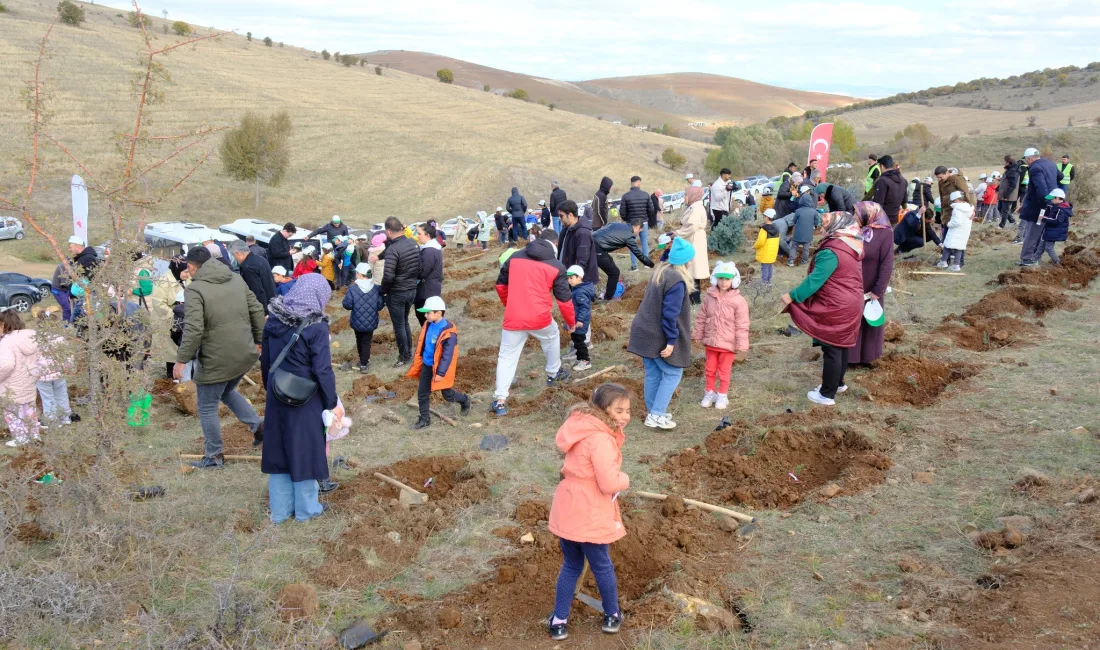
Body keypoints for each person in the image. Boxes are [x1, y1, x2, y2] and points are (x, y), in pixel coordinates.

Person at [546, 383, 631, 641]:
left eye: (628, 411)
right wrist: (624, 480)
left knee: (571, 564)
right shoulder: (601, 439)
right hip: (590, 510)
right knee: (602, 566)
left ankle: (559, 621)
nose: (625, 416)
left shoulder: (580, 428)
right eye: (619, 410)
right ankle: (612, 615)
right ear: (603, 409)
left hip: (568, 505)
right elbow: (607, 483)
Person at [173, 246, 266, 468]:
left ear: (192, 267)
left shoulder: (195, 290)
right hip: (244, 353)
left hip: (217, 358)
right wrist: (260, 340)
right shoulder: (235, 278)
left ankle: (214, 455)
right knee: (226, 391)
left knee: (206, 405)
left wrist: (181, 360)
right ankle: (260, 427)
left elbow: (193, 329)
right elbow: (256, 309)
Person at [260, 274, 339, 523]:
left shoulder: (273, 320)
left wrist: (271, 389)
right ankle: (307, 510)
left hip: (277, 394)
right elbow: (322, 369)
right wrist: (331, 402)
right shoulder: (316, 326)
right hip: (306, 399)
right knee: (305, 450)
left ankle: (281, 512)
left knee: (279, 450)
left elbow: (265, 361)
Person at [781, 212, 865, 407]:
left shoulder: (832, 251)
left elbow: (815, 281)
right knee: (842, 345)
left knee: (832, 348)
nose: (820, 228)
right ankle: (839, 383)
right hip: (851, 301)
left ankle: (827, 394)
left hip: (837, 304)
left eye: (825, 224)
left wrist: (792, 295)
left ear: (837, 226)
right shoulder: (850, 244)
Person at [490, 231, 575, 416]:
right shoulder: (557, 265)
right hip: (540, 318)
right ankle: (553, 374)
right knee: (552, 336)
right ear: (555, 243)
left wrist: (510, 305)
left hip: (514, 317)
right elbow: (564, 300)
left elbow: (500, 286)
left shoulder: (514, 257)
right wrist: (571, 322)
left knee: (506, 356)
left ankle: (500, 401)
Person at [626, 238, 694, 429]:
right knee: (673, 372)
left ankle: (653, 411)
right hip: (655, 333)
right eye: (691, 259)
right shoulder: (677, 281)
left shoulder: (662, 272)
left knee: (654, 373)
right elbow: (670, 314)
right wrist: (671, 341)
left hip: (644, 329)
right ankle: (656, 414)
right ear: (686, 261)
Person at [405, 296, 472, 430]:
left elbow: (447, 356)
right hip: (427, 365)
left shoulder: (449, 332)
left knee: (447, 395)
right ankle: (425, 419)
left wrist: (440, 372)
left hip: (441, 369)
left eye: (428, 313)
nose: (425, 315)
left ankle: (465, 400)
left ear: (439, 313)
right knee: (422, 393)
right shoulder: (428, 324)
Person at [691, 261, 749, 411]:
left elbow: (742, 325)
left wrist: (742, 345)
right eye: (721, 278)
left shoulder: (739, 301)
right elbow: (701, 317)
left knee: (724, 371)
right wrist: (697, 333)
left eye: (727, 279)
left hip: (728, 345)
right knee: (710, 368)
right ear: (715, 279)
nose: (723, 282)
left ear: (734, 280)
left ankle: (722, 394)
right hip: (711, 342)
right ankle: (709, 392)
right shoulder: (709, 297)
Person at [849, 203, 895, 366]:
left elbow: (887, 263)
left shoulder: (885, 233)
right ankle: (851, 358)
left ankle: (868, 357)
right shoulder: (855, 230)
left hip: (871, 283)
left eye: (857, 214)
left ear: (868, 214)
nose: (854, 217)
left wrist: (878, 289)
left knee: (870, 318)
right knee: (852, 319)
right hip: (853, 282)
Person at [380, 217, 421, 367]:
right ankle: (408, 353)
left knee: (399, 325)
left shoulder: (393, 249)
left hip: (398, 292)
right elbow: (420, 267)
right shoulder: (412, 242)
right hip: (411, 289)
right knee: (404, 322)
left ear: (388, 231)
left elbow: (388, 275)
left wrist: (382, 291)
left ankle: (404, 357)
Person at [0, 311, 41, 447]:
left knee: (11, 410)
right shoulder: (31, 336)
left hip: (11, 383)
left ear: (3, 324)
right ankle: (34, 434)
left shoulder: (6, 341)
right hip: (29, 380)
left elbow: (6, 365)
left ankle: (21, 436)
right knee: (29, 407)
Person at [592, 219, 653, 300]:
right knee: (614, 272)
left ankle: (598, 295)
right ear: (638, 227)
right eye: (640, 231)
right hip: (596, 248)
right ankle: (608, 298)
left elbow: (605, 228)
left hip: (590, 241)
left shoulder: (618, 224)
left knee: (609, 263)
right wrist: (652, 264)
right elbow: (639, 254)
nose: (638, 233)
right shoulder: (629, 236)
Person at [1017, 147, 1059, 267]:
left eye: (1026, 159)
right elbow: (1060, 177)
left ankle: (1026, 258)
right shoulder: (1050, 164)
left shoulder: (1035, 168)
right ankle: (1035, 257)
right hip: (1049, 204)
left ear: (1029, 158)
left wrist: (1044, 203)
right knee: (1039, 232)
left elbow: (1041, 190)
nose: (1026, 162)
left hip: (1038, 206)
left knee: (1032, 232)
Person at [342, 262, 385, 373]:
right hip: (371, 321)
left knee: (359, 339)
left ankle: (363, 362)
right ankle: (364, 363)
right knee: (366, 341)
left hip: (357, 320)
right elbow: (380, 306)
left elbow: (347, 305)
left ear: (360, 274)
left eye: (357, 273)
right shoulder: (376, 288)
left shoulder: (352, 289)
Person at [34, 319, 76, 427]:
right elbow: (68, 354)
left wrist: (33, 372)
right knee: (62, 395)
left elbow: (32, 359)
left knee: (48, 398)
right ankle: (66, 417)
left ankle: (52, 420)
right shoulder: (60, 338)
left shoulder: (35, 340)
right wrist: (69, 368)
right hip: (59, 373)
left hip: (42, 375)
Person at [675, 185, 709, 303]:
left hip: (694, 241)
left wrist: (677, 233)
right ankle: (692, 298)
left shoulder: (697, 209)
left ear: (692, 195)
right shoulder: (693, 207)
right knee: (692, 270)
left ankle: (694, 299)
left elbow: (692, 226)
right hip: (692, 240)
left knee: (693, 270)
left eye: (686, 194)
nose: (684, 197)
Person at [558, 200, 599, 287]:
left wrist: (574, 280)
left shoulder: (582, 233)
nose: (559, 218)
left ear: (570, 215)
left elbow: (582, 260)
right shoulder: (566, 229)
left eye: (561, 216)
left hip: (577, 280)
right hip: (568, 275)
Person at [230, 239, 277, 313]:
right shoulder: (261, 259)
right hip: (272, 301)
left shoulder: (248, 267)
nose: (235, 258)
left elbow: (257, 291)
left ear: (238, 253)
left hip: (263, 307)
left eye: (234, 256)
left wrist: (263, 312)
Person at [620, 176, 655, 272]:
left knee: (632, 244)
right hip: (643, 222)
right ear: (639, 183)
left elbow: (622, 212)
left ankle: (634, 266)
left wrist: (627, 220)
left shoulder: (626, 196)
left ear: (631, 183)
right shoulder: (646, 195)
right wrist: (645, 217)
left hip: (631, 223)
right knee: (644, 242)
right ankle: (646, 264)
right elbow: (651, 210)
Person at [565, 265, 595, 372]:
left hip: (579, 323)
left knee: (579, 342)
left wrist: (580, 320)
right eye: (568, 278)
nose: (569, 281)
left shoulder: (580, 292)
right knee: (577, 341)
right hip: (575, 321)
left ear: (579, 277)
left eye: (571, 278)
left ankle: (585, 361)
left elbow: (584, 308)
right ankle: (581, 358)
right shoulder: (577, 289)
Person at [414, 223, 444, 327]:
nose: (417, 236)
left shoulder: (429, 251)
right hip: (431, 288)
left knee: (426, 320)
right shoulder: (433, 248)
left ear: (427, 235)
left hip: (426, 292)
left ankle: (430, 341)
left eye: (419, 233)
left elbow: (422, 272)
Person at [937, 191, 973, 271]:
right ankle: (956, 265)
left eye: (953, 201)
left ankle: (943, 261)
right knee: (959, 247)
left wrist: (949, 224)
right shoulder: (968, 208)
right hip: (964, 231)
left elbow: (957, 222)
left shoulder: (958, 209)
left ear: (956, 200)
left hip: (956, 230)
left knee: (947, 245)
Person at [1038, 188, 1072, 265]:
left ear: (1057, 198)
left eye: (1052, 198)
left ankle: (1057, 262)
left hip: (1054, 232)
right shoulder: (1056, 206)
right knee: (1041, 246)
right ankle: (1035, 260)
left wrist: (1043, 218)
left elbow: (1057, 220)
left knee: (1048, 248)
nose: (1051, 200)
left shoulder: (1061, 209)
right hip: (1050, 230)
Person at [870, 155, 908, 224]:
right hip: (896, 219)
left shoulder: (883, 180)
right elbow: (904, 200)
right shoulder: (903, 180)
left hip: (884, 221)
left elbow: (878, 204)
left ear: (882, 166)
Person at [788, 190, 820, 267]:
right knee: (806, 249)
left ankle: (791, 261)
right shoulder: (814, 212)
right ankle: (803, 262)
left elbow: (794, 221)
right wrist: (814, 225)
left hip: (798, 233)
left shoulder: (798, 211)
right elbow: (816, 222)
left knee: (794, 247)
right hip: (808, 234)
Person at [754, 208, 781, 285]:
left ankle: (764, 282)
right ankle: (769, 281)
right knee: (770, 267)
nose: (763, 218)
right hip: (773, 252)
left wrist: (755, 246)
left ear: (766, 217)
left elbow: (761, 241)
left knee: (765, 267)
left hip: (765, 252)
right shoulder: (776, 228)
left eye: (764, 216)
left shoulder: (764, 229)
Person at [997, 155, 1021, 229]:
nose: (1003, 163)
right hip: (1003, 192)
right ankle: (1012, 221)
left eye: (1004, 161)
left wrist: (1006, 195)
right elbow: (1004, 182)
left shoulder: (1013, 171)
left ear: (1008, 162)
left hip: (1008, 194)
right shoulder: (1009, 169)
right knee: (1000, 208)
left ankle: (1002, 225)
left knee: (1005, 210)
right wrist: (998, 188)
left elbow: (1012, 185)